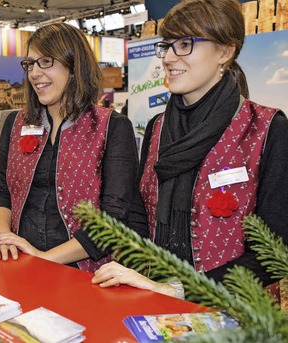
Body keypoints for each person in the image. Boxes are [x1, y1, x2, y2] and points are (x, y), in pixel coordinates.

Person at [92, 0, 288, 298]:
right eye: (166, 45)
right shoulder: (157, 127)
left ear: (225, 51)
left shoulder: (266, 128)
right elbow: (139, 216)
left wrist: (179, 290)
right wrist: (133, 272)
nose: (169, 57)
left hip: (236, 315)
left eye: (184, 44)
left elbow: (274, 251)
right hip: (153, 301)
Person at [0, 23, 139, 272]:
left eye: (45, 62)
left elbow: (114, 219)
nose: (34, 73)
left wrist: (43, 259)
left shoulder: (112, 127)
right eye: (30, 64)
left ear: (74, 65)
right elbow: (1, 191)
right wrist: (4, 238)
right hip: (20, 262)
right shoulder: (15, 123)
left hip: (87, 272)